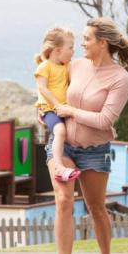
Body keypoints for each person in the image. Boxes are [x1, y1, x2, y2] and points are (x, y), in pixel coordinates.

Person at [44, 17, 128, 254]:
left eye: (86, 39)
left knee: (96, 206)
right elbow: (50, 86)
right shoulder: (75, 66)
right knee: (63, 200)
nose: (81, 44)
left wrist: (71, 111)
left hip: (95, 150)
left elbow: (105, 121)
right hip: (62, 146)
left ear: (102, 43)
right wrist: (47, 114)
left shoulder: (120, 79)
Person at [34, 27, 80, 183]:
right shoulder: (44, 67)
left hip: (63, 108)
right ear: (58, 50)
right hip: (49, 110)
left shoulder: (67, 66)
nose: (74, 51)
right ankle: (59, 167)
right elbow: (42, 88)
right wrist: (56, 105)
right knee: (60, 131)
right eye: (71, 47)